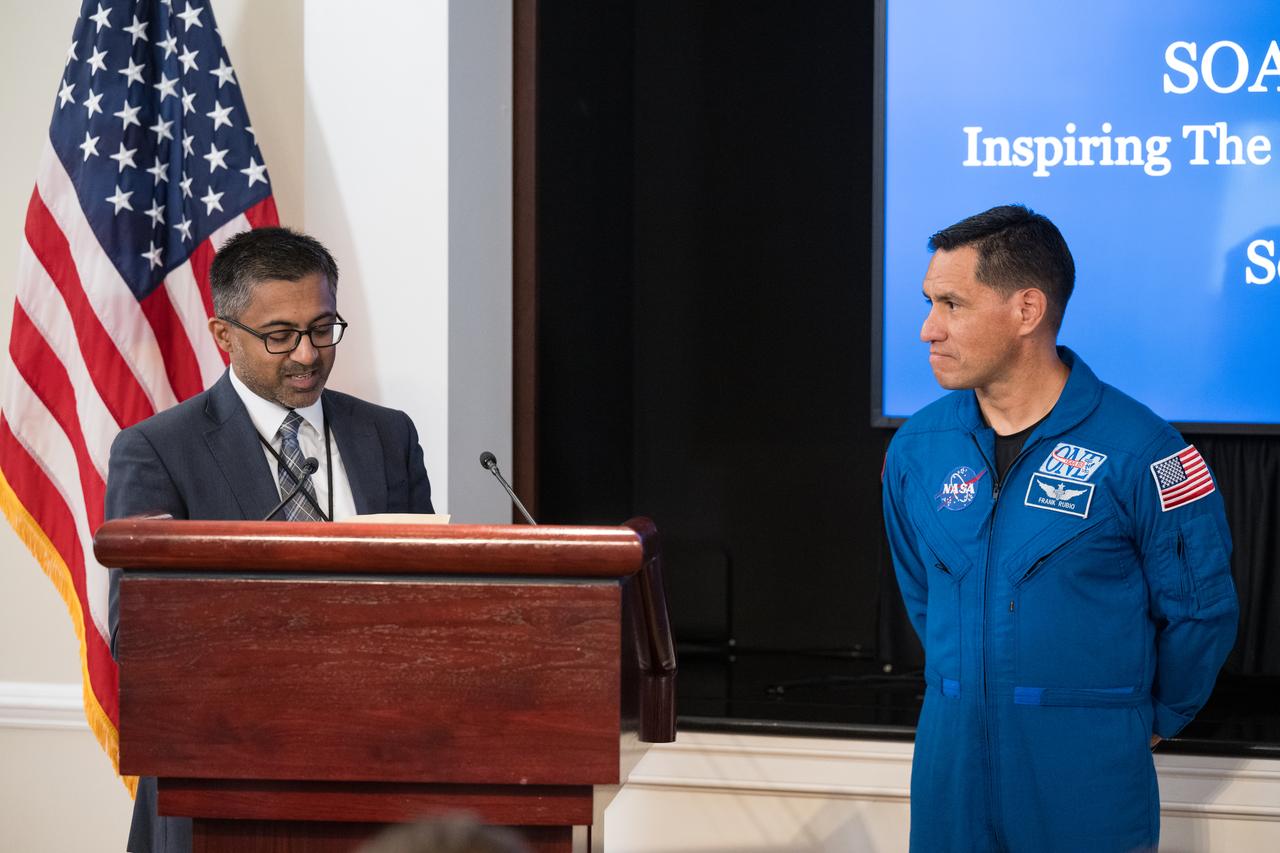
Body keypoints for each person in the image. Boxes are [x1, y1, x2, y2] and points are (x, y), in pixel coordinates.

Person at [881, 205, 1238, 852]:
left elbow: (1202, 611)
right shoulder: (917, 450)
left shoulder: (1146, 451)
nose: (929, 328)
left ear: (1026, 310)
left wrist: (1147, 718)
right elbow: (923, 594)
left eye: (953, 304)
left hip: (1086, 779)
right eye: (930, 302)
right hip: (949, 771)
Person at [105, 226, 435, 853]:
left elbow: (433, 598)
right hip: (223, 779)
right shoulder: (157, 452)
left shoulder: (388, 436)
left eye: (322, 328)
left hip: (379, 770)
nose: (308, 355)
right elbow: (139, 637)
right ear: (223, 335)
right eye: (280, 336)